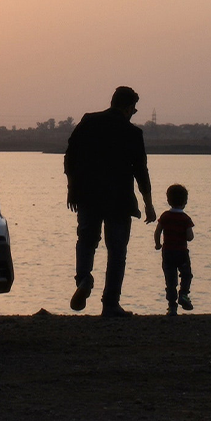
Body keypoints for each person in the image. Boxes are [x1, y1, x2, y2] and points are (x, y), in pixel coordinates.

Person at [63, 86, 155, 317]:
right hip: (119, 199)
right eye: (133, 108)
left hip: (86, 195)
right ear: (126, 107)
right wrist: (148, 203)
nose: (134, 112)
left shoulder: (88, 122)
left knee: (86, 241)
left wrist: (71, 190)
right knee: (117, 251)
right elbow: (140, 171)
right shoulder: (133, 133)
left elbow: (70, 157)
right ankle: (110, 303)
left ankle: (84, 279)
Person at [154, 184, 195, 316]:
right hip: (182, 252)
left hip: (168, 252)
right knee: (186, 274)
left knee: (170, 280)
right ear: (185, 202)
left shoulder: (165, 216)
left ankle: (172, 306)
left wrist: (158, 244)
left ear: (168, 200)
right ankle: (183, 294)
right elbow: (190, 237)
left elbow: (158, 231)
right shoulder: (185, 219)